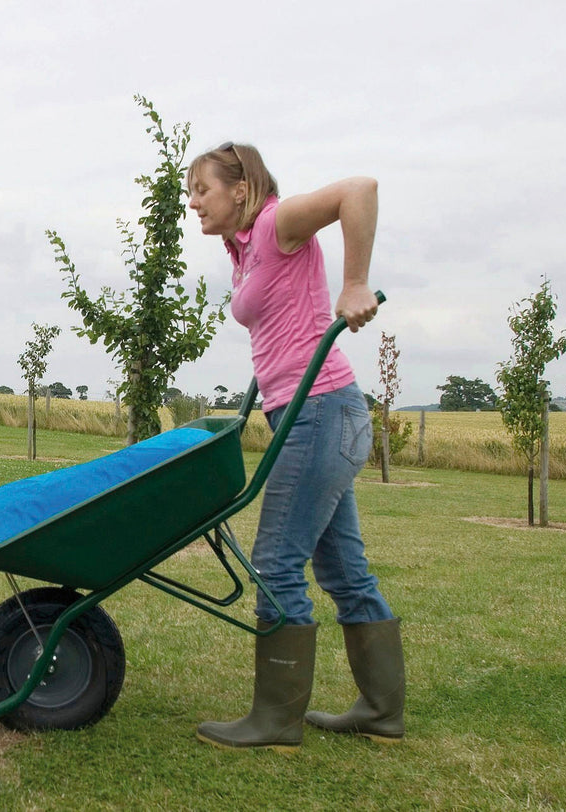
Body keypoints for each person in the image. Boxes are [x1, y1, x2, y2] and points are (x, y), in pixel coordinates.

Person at [186, 142, 404, 750]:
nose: (194, 202)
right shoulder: (245, 249)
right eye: (189, 193)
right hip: (312, 414)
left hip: (321, 412)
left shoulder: (277, 221)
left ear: (241, 187)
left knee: (277, 562)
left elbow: (358, 188)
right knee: (343, 568)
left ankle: (275, 720)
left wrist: (355, 281)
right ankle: (382, 711)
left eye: (202, 188)